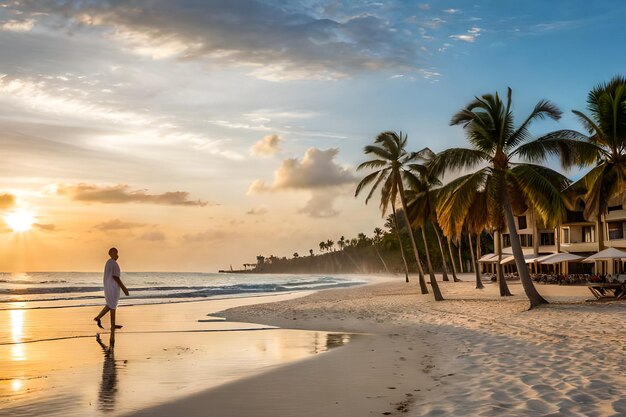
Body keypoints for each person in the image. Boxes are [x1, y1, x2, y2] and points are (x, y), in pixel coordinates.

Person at [94, 247, 130, 330]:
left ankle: (98, 318)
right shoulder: (113, 263)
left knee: (111, 304)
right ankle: (112, 324)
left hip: (108, 286)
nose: (117, 256)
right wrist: (124, 288)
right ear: (111, 254)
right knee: (112, 305)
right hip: (112, 287)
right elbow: (115, 277)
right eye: (115, 253)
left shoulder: (109, 262)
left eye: (117, 253)